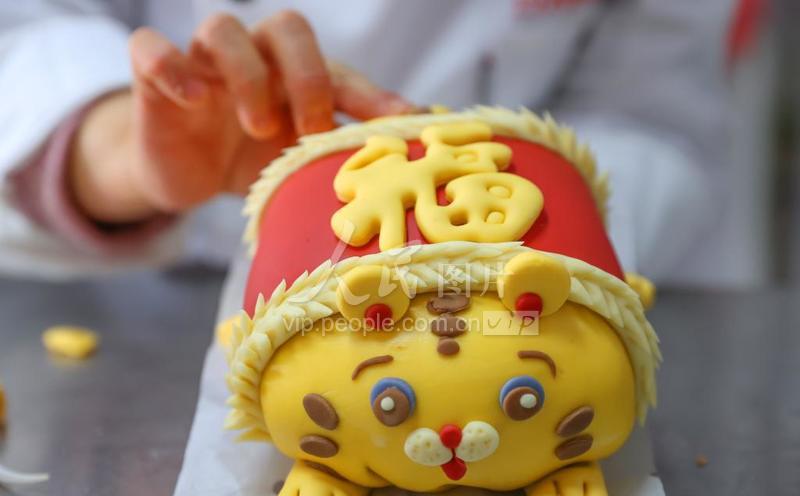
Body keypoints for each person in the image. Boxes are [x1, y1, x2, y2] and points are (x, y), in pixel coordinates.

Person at [0, 0, 771, 285]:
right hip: (149, 303)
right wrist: (122, 150)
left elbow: (654, 117)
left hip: (520, 297)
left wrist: (522, 233)